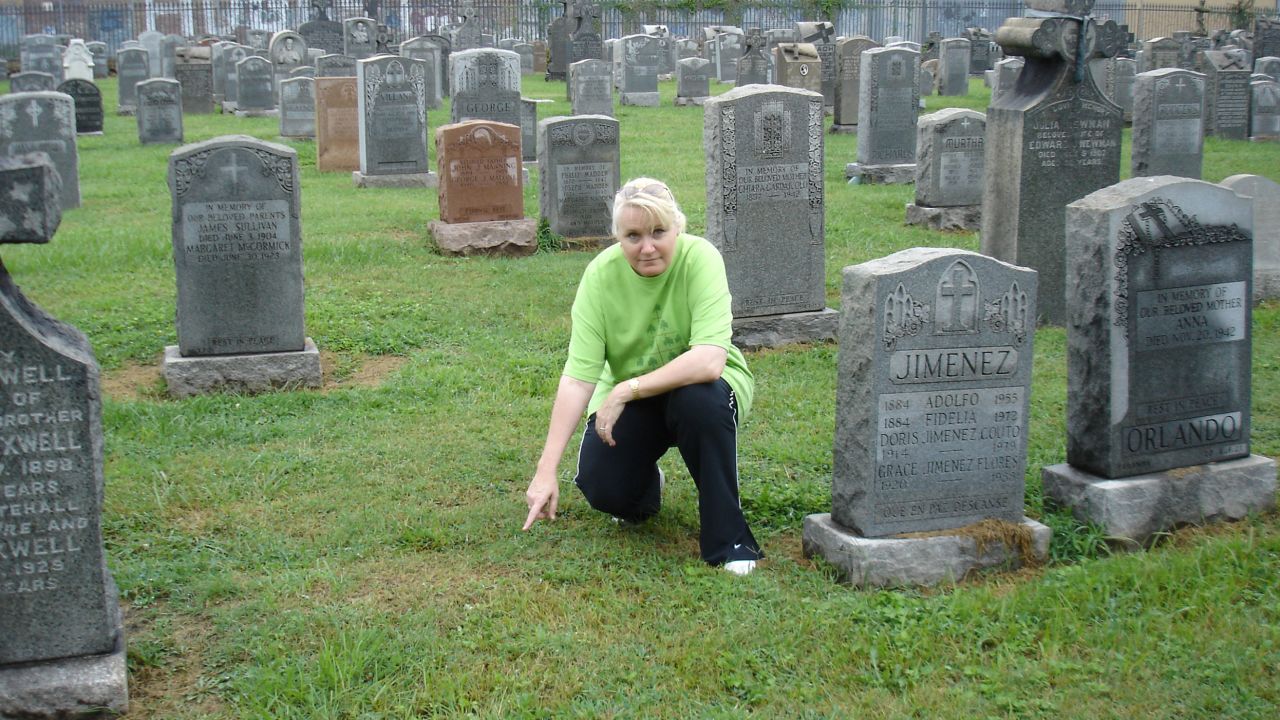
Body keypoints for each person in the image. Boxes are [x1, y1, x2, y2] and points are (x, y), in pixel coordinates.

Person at [522, 178, 763, 575]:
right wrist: (546, 471)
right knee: (604, 488)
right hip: (634, 399)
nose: (647, 247)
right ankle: (647, 487)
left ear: (677, 229)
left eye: (658, 232)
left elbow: (708, 361)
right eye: (632, 236)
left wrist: (625, 389)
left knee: (697, 402)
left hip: (702, 387)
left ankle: (730, 540)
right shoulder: (600, 276)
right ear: (618, 237)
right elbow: (579, 377)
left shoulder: (701, 258)